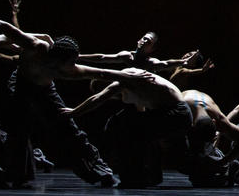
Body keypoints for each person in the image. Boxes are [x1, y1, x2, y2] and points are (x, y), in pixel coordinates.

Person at [0, 20, 150, 187]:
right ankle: (17, 174)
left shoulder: (67, 71)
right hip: (20, 84)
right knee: (18, 130)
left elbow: (102, 73)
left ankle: (100, 171)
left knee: (68, 129)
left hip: (45, 90)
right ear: (58, 59)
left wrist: (129, 76)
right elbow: (1, 25)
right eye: (71, 62)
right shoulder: (37, 47)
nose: (73, 65)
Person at [61, 69, 192, 187]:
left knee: (124, 130)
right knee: (130, 130)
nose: (112, 97)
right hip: (179, 114)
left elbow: (98, 98)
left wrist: (73, 112)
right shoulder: (133, 85)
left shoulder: (122, 80)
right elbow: (141, 112)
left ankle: (134, 177)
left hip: (175, 114)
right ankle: (148, 175)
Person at [180, 90, 239, 187]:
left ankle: (227, 168)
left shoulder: (220, 120)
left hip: (201, 110)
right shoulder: (183, 115)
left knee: (204, 163)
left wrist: (223, 162)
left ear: (214, 123)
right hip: (186, 111)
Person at [78, 31, 195, 75]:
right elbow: (102, 58)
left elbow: (166, 64)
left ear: (152, 50)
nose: (144, 41)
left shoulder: (150, 62)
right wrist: (79, 56)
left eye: (148, 42)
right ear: (138, 40)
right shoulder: (127, 56)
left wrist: (183, 62)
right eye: (143, 38)